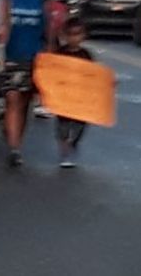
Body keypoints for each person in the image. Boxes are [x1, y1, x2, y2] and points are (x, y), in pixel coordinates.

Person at [1, 0, 50, 167]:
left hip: (33, 57)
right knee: (12, 98)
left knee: (24, 102)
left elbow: (47, 31)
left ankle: (16, 142)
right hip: (9, 56)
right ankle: (14, 147)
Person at [55, 17, 93, 168]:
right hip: (63, 97)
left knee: (80, 124)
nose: (74, 38)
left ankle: (73, 143)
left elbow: (93, 75)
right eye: (70, 34)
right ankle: (65, 152)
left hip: (80, 98)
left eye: (77, 34)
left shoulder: (86, 55)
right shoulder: (60, 53)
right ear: (65, 35)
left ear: (83, 36)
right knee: (63, 125)